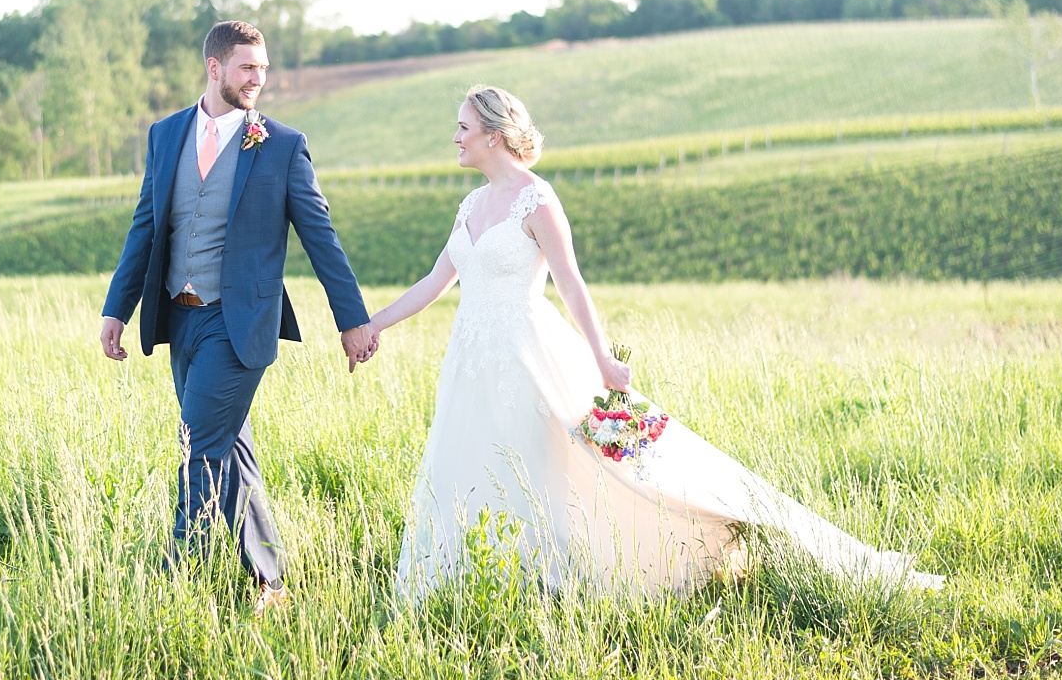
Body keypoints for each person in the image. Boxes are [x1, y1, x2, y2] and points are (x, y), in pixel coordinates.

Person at [369, 84, 943, 598]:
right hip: (469, 361)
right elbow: (434, 282)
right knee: (462, 463)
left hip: (526, 356)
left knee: (552, 469)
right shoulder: (469, 206)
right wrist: (372, 326)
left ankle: (550, 580)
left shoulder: (536, 199)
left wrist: (601, 359)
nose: (455, 138)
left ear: (493, 136)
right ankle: (459, 582)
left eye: (463, 128)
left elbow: (570, 282)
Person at [99, 20, 378, 617]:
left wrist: (351, 319)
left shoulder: (281, 145)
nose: (260, 79)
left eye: (265, 68)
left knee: (198, 442)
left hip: (240, 322)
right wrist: (116, 309)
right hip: (179, 317)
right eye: (248, 67)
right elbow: (145, 227)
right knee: (231, 449)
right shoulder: (166, 134)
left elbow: (320, 236)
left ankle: (179, 584)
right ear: (215, 68)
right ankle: (270, 581)